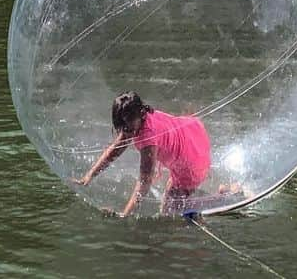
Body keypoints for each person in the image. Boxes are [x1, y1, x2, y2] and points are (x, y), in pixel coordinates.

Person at [74, 91, 211, 217]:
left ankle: (205, 209)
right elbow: (115, 150)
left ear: (140, 113)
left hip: (190, 160)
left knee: (168, 211)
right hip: (191, 133)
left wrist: (125, 214)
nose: (126, 130)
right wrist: (89, 176)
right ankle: (206, 198)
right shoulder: (139, 118)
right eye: (122, 126)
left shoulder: (148, 139)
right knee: (174, 201)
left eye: (128, 125)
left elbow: (145, 181)